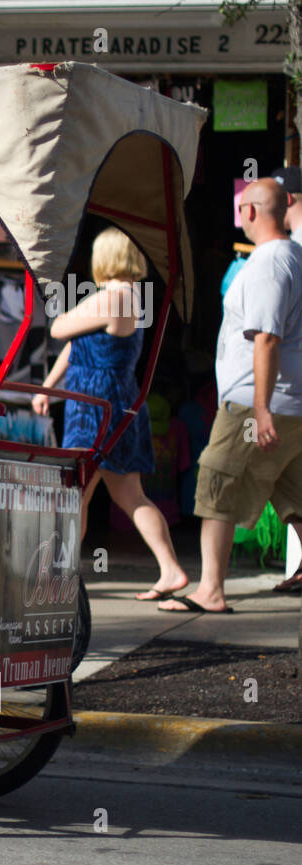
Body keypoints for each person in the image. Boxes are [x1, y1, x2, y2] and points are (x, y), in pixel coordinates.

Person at [158, 177, 302, 612]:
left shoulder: (268, 263)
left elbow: (267, 339)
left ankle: (211, 591)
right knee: (293, 495)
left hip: (254, 403)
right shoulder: (294, 256)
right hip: (288, 403)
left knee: (216, 483)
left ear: (253, 212)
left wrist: (259, 408)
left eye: (241, 208)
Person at [32, 227, 187, 601]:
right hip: (117, 399)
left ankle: (59, 577)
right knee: (128, 494)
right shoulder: (130, 296)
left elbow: (58, 328)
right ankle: (171, 570)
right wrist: (50, 386)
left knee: (76, 493)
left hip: (94, 405)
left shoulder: (112, 297)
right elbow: (79, 344)